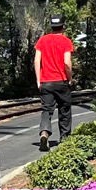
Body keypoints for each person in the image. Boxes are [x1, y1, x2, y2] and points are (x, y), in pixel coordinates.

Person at [33, 16, 75, 151]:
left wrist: (38, 80)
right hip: (61, 81)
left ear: (51, 27)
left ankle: (44, 133)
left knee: (46, 110)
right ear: (63, 27)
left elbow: (36, 61)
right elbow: (67, 63)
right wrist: (69, 78)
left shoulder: (42, 40)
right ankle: (65, 138)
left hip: (46, 82)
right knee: (64, 110)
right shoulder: (66, 42)